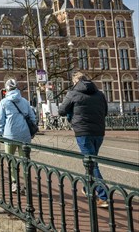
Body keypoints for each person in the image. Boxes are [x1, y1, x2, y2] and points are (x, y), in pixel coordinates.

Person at [58, 71, 109, 208]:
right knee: (91, 162)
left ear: (75, 82)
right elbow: (105, 112)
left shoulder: (73, 93)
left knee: (92, 164)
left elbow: (61, 111)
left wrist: (71, 115)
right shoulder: (100, 94)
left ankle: (104, 196)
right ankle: (88, 188)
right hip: (99, 132)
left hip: (83, 132)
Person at [0, 78, 36, 194]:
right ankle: (27, 184)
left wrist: (0, 134)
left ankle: (15, 183)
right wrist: (31, 132)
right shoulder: (24, 101)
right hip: (25, 135)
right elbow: (32, 117)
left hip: (10, 136)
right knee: (25, 160)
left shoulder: (4, 102)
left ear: (7, 89)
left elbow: (1, 121)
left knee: (11, 160)